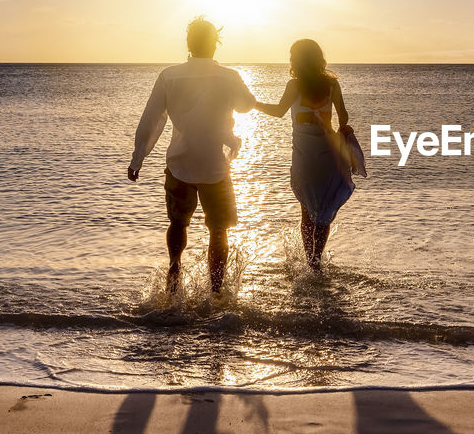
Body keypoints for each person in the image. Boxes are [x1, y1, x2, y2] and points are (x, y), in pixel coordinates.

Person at [128, 17, 256, 294]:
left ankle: (175, 268)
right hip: (215, 166)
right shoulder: (228, 77)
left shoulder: (169, 76)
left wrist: (137, 159)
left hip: (179, 164)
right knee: (219, 230)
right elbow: (246, 105)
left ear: (189, 44)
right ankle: (217, 290)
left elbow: (152, 120)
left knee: (177, 222)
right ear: (215, 44)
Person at [254, 39, 363, 269]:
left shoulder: (294, 85)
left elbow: (278, 112)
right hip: (328, 153)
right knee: (324, 209)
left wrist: (254, 104)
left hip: (304, 155)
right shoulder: (332, 85)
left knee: (306, 208)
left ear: (299, 60)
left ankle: (309, 260)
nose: (290, 60)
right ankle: (316, 261)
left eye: (293, 56)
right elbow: (343, 117)